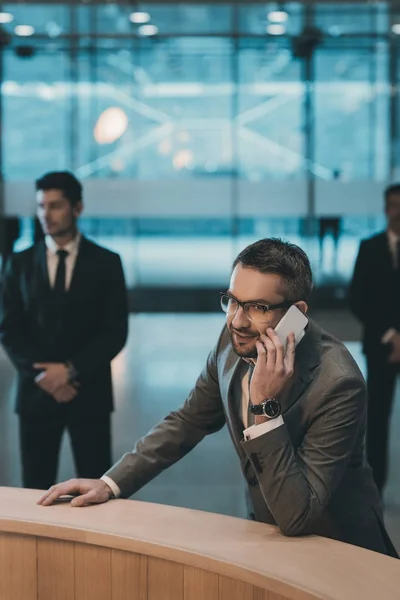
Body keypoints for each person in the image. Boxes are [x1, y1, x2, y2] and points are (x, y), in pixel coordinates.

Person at [39, 238, 397, 557]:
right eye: (232, 301)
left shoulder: (338, 382)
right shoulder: (231, 343)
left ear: (296, 314)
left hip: (339, 551)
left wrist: (264, 407)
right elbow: (188, 421)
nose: (237, 321)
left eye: (257, 307)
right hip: (268, 536)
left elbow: (298, 515)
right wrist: (110, 482)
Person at [0, 171, 128, 490]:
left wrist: (69, 371)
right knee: (35, 488)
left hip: (89, 392)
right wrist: (45, 376)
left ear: (77, 208)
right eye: (42, 206)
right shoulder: (19, 264)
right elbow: (9, 330)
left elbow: (114, 331)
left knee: (96, 485)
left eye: (55, 205)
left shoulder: (107, 263)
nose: (46, 214)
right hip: (37, 392)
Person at [349, 183, 400, 496]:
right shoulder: (369, 248)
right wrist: (392, 335)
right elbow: (357, 299)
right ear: (385, 208)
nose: (398, 212)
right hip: (380, 346)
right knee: (378, 417)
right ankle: (375, 489)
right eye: (393, 205)